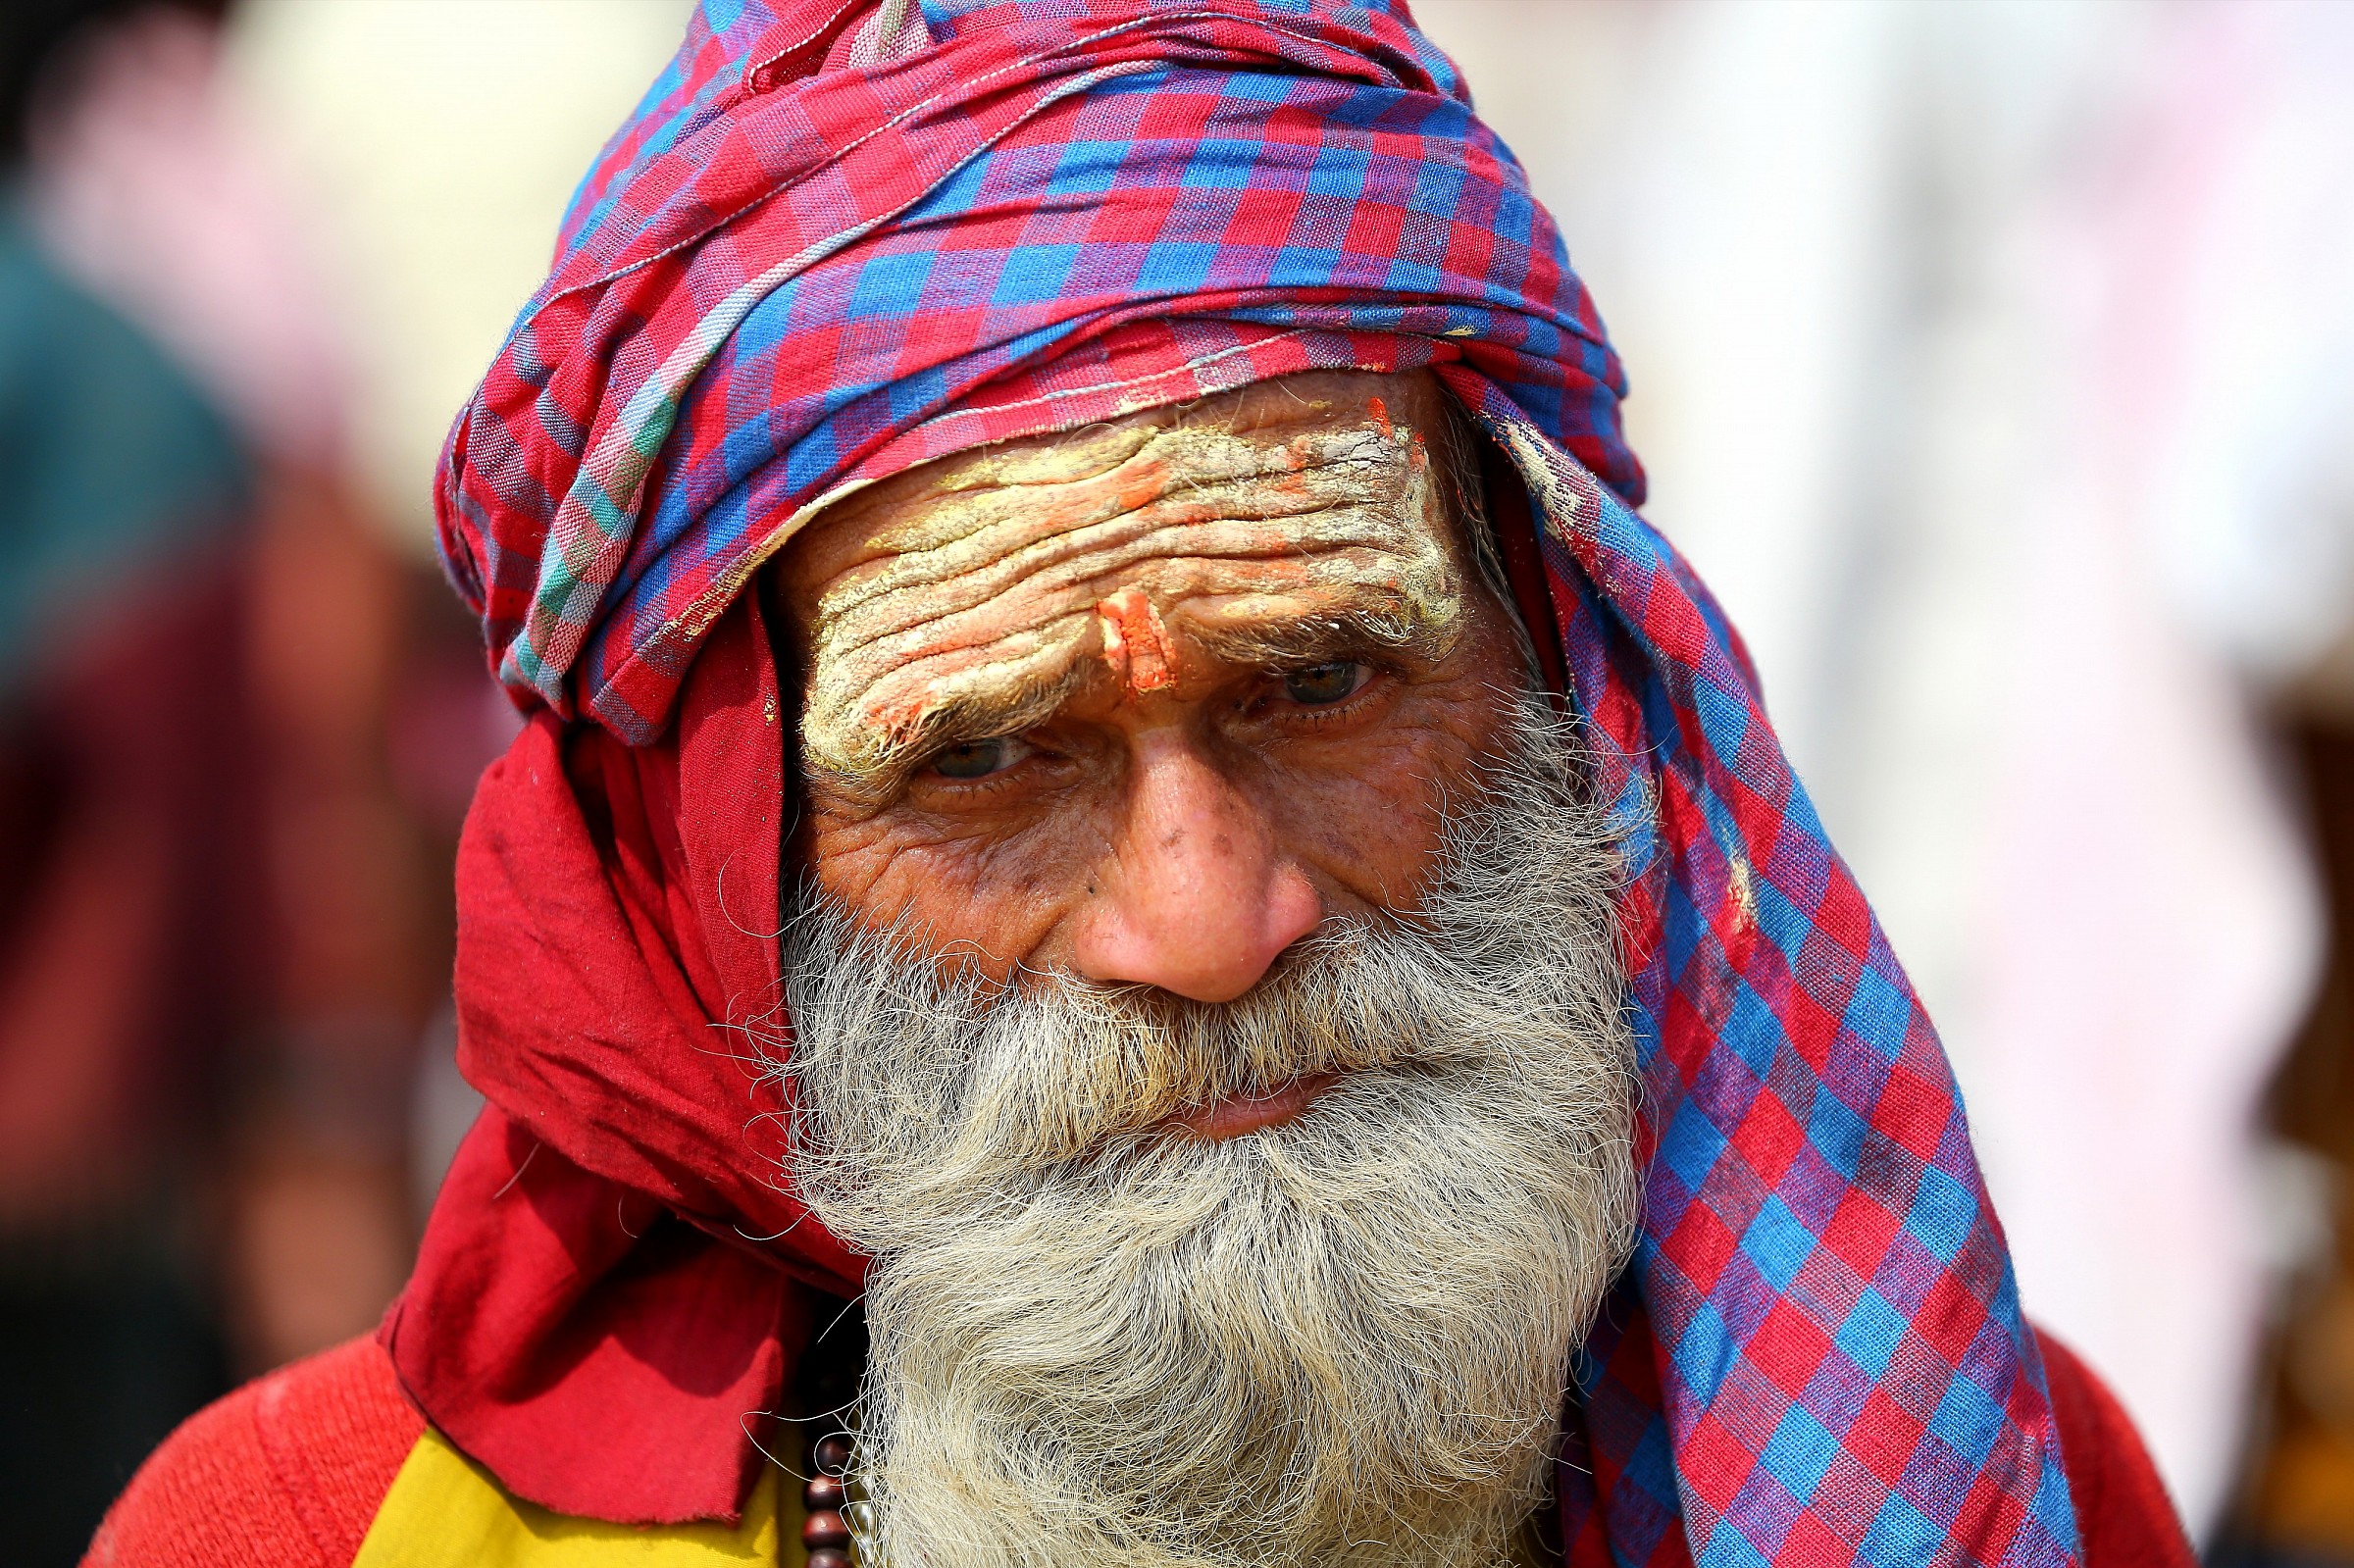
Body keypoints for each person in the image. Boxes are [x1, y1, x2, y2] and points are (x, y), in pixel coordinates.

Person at [87, 1, 2196, 1564]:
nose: (1204, 919)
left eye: (1322, 681)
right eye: (987, 756)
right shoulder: (315, 1539)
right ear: (741, 870)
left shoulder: (1979, 1471)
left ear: (1548, 676)